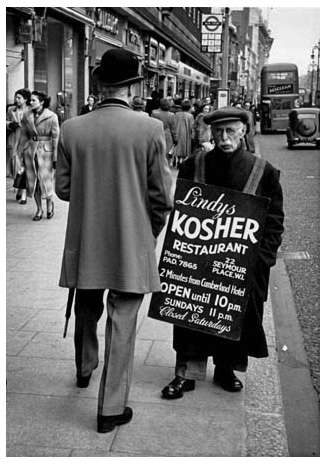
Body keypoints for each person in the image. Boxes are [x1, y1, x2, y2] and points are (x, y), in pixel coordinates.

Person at [55, 48, 173, 433]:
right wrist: (148, 232)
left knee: (87, 306)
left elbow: (63, 189)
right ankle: (110, 408)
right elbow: (161, 197)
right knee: (122, 320)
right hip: (129, 241)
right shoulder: (150, 128)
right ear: (134, 85)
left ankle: (84, 367)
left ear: (101, 83)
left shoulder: (71, 128)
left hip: (87, 239)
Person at [161, 107, 284, 400]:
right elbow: (181, 211)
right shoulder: (195, 165)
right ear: (210, 133)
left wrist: (260, 261)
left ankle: (226, 368)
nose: (224, 137)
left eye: (231, 131)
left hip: (240, 264)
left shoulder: (262, 171)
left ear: (244, 131)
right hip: (197, 259)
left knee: (234, 317)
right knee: (190, 311)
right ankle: (186, 372)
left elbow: (275, 220)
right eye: (218, 132)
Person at [17, 91, 59, 220]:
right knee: (33, 181)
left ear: (41, 102)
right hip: (30, 151)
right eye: (30, 100)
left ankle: (50, 205)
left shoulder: (52, 116)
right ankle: (39, 209)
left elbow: (56, 137)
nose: (30, 102)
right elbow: (23, 135)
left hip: (46, 151)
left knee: (45, 180)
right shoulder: (26, 115)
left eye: (33, 100)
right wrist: (21, 153)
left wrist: (56, 157)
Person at [6, 88, 31, 203]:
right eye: (16, 97)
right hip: (13, 139)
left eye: (19, 98)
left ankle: (24, 193)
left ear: (25, 99)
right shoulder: (11, 109)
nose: (16, 100)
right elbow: (5, 121)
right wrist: (10, 124)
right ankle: (20, 188)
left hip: (26, 140)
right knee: (16, 166)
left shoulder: (31, 110)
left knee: (24, 166)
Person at [151, 98, 178, 166]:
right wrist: (175, 139)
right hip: (167, 136)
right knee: (166, 156)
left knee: (156, 154)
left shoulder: (154, 113)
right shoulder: (171, 115)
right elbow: (173, 129)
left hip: (156, 134)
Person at [174, 99, 194, 168]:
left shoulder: (176, 114)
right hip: (186, 133)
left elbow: (174, 124)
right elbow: (192, 127)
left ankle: (177, 160)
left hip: (178, 132)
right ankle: (182, 161)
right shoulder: (190, 116)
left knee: (178, 147)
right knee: (185, 148)